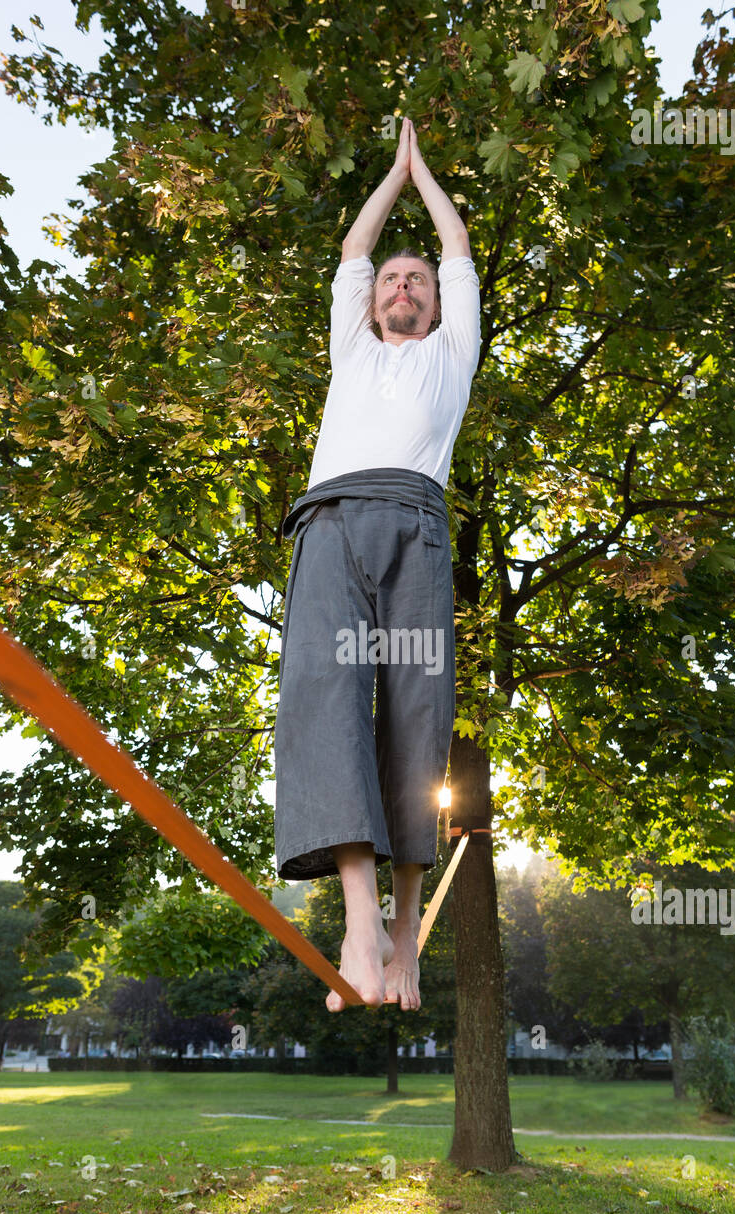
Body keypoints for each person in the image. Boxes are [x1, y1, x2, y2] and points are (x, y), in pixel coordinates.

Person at [274, 117, 480, 1013]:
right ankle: (359, 920)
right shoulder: (351, 350)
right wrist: (390, 177)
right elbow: (357, 243)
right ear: (370, 302)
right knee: (323, 692)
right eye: (392, 279)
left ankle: (405, 929)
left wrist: (424, 173)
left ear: (436, 306)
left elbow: (458, 245)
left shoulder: (451, 356)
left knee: (415, 712)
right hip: (330, 522)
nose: (402, 284)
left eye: (418, 280)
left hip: (417, 528)